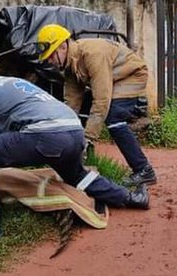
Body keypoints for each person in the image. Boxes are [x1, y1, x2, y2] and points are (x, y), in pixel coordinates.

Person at [0, 70, 150, 238]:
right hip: (73, 132)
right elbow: (0, 141)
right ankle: (131, 197)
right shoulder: (0, 85)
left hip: (47, 135)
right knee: (76, 175)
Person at [36, 24, 156, 186]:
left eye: (51, 56)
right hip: (115, 78)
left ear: (63, 46)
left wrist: (87, 138)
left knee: (114, 118)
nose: (50, 61)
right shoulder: (71, 64)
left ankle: (144, 170)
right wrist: (62, 129)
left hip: (132, 75)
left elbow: (101, 99)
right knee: (104, 114)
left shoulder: (92, 54)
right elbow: (71, 102)